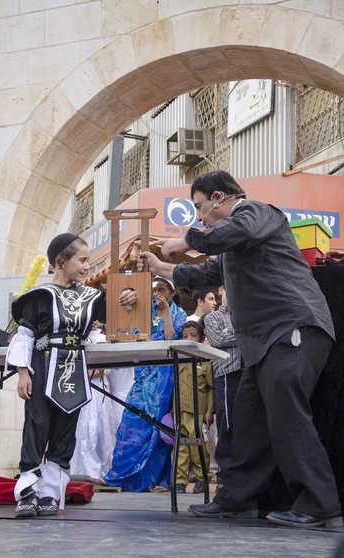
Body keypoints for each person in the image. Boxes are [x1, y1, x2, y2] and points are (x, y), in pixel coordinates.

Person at [137, 170, 342, 528]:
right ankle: (237, 499)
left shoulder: (258, 212)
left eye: (200, 208)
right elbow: (202, 275)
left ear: (218, 197)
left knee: (286, 415)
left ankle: (319, 503)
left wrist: (188, 240)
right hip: (262, 344)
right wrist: (161, 267)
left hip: (292, 327)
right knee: (247, 422)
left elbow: (234, 231)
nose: (199, 216)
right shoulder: (231, 248)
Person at [6, 233, 136, 518]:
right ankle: (27, 492)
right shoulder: (38, 297)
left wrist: (128, 296)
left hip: (75, 370)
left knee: (65, 432)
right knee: (36, 426)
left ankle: (50, 493)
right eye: (83, 259)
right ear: (60, 262)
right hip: (42, 366)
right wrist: (23, 373)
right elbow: (24, 336)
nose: (88, 265)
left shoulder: (91, 297)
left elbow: (117, 313)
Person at [103, 277, 187, 492]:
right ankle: (121, 473)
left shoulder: (179, 313)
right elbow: (132, 329)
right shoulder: (144, 310)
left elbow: (170, 336)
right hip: (143, 368)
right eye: (155, 289)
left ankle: (153, 477)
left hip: (163, 373)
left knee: (156, 421)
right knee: (131, 417)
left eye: (162, 289)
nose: (157, 293)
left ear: (172, 292)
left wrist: (166, 311)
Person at [70, 321, 118, 481]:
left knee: (97, 427)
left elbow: (108, 366)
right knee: (80, 427)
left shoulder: (104, 338)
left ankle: (99, 470)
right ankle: (78, 468)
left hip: (97, 386)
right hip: (77, 385)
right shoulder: (73, 337)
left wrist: (91, 373)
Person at [204, 286, 242, 485]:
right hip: (226, 375)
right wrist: (245, 334)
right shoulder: (212, 318)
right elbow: (218, 339)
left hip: (249, 375)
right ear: (221, 290)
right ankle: (225, 478)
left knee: (248, 427)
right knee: (227, 426)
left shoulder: (246, 315)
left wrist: (233, 334)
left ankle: (243, 479)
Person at [175, 320, 214, 494]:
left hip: (198, 411)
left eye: (193, 335)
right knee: (181, 448)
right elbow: (176, 387)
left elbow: (211, 389)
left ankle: (201, 478)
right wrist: (173, 409)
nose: (188, 339)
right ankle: (179, 481)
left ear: (201, 337)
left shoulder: (206, 362)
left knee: (199, 448)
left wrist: (209, 411)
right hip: (180, 410)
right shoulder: (180, 360)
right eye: (185, 336)